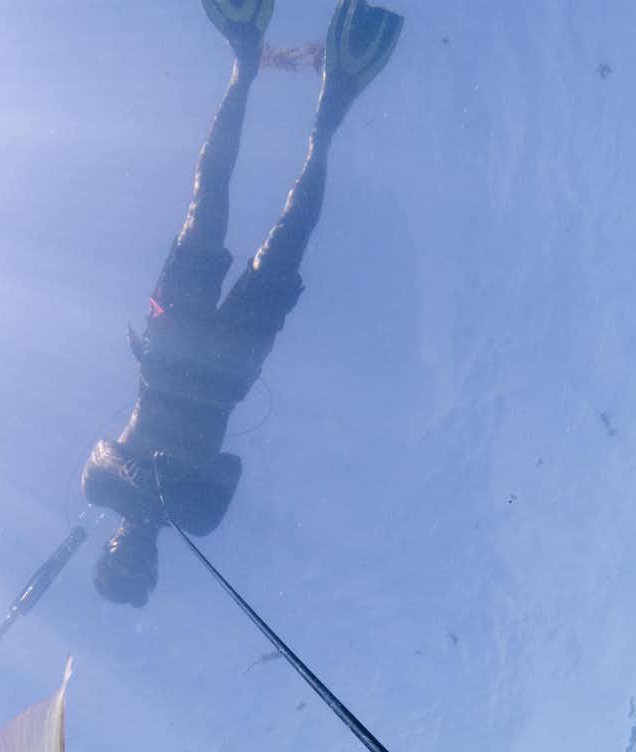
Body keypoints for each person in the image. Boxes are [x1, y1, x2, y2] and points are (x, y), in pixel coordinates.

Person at [81, 0, 404, 605]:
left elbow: (100, 460)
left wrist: (139, 476)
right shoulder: (195, 520)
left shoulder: (100, 488)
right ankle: (331, 109)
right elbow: (228, 470)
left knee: (208, 199)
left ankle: (244, 64)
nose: (134, 557)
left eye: (120, 563)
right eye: (140, 571)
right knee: (291, 236)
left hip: (172, 344)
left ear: (110, 549)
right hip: (227, 368)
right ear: (154, 569)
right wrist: (169, 489)